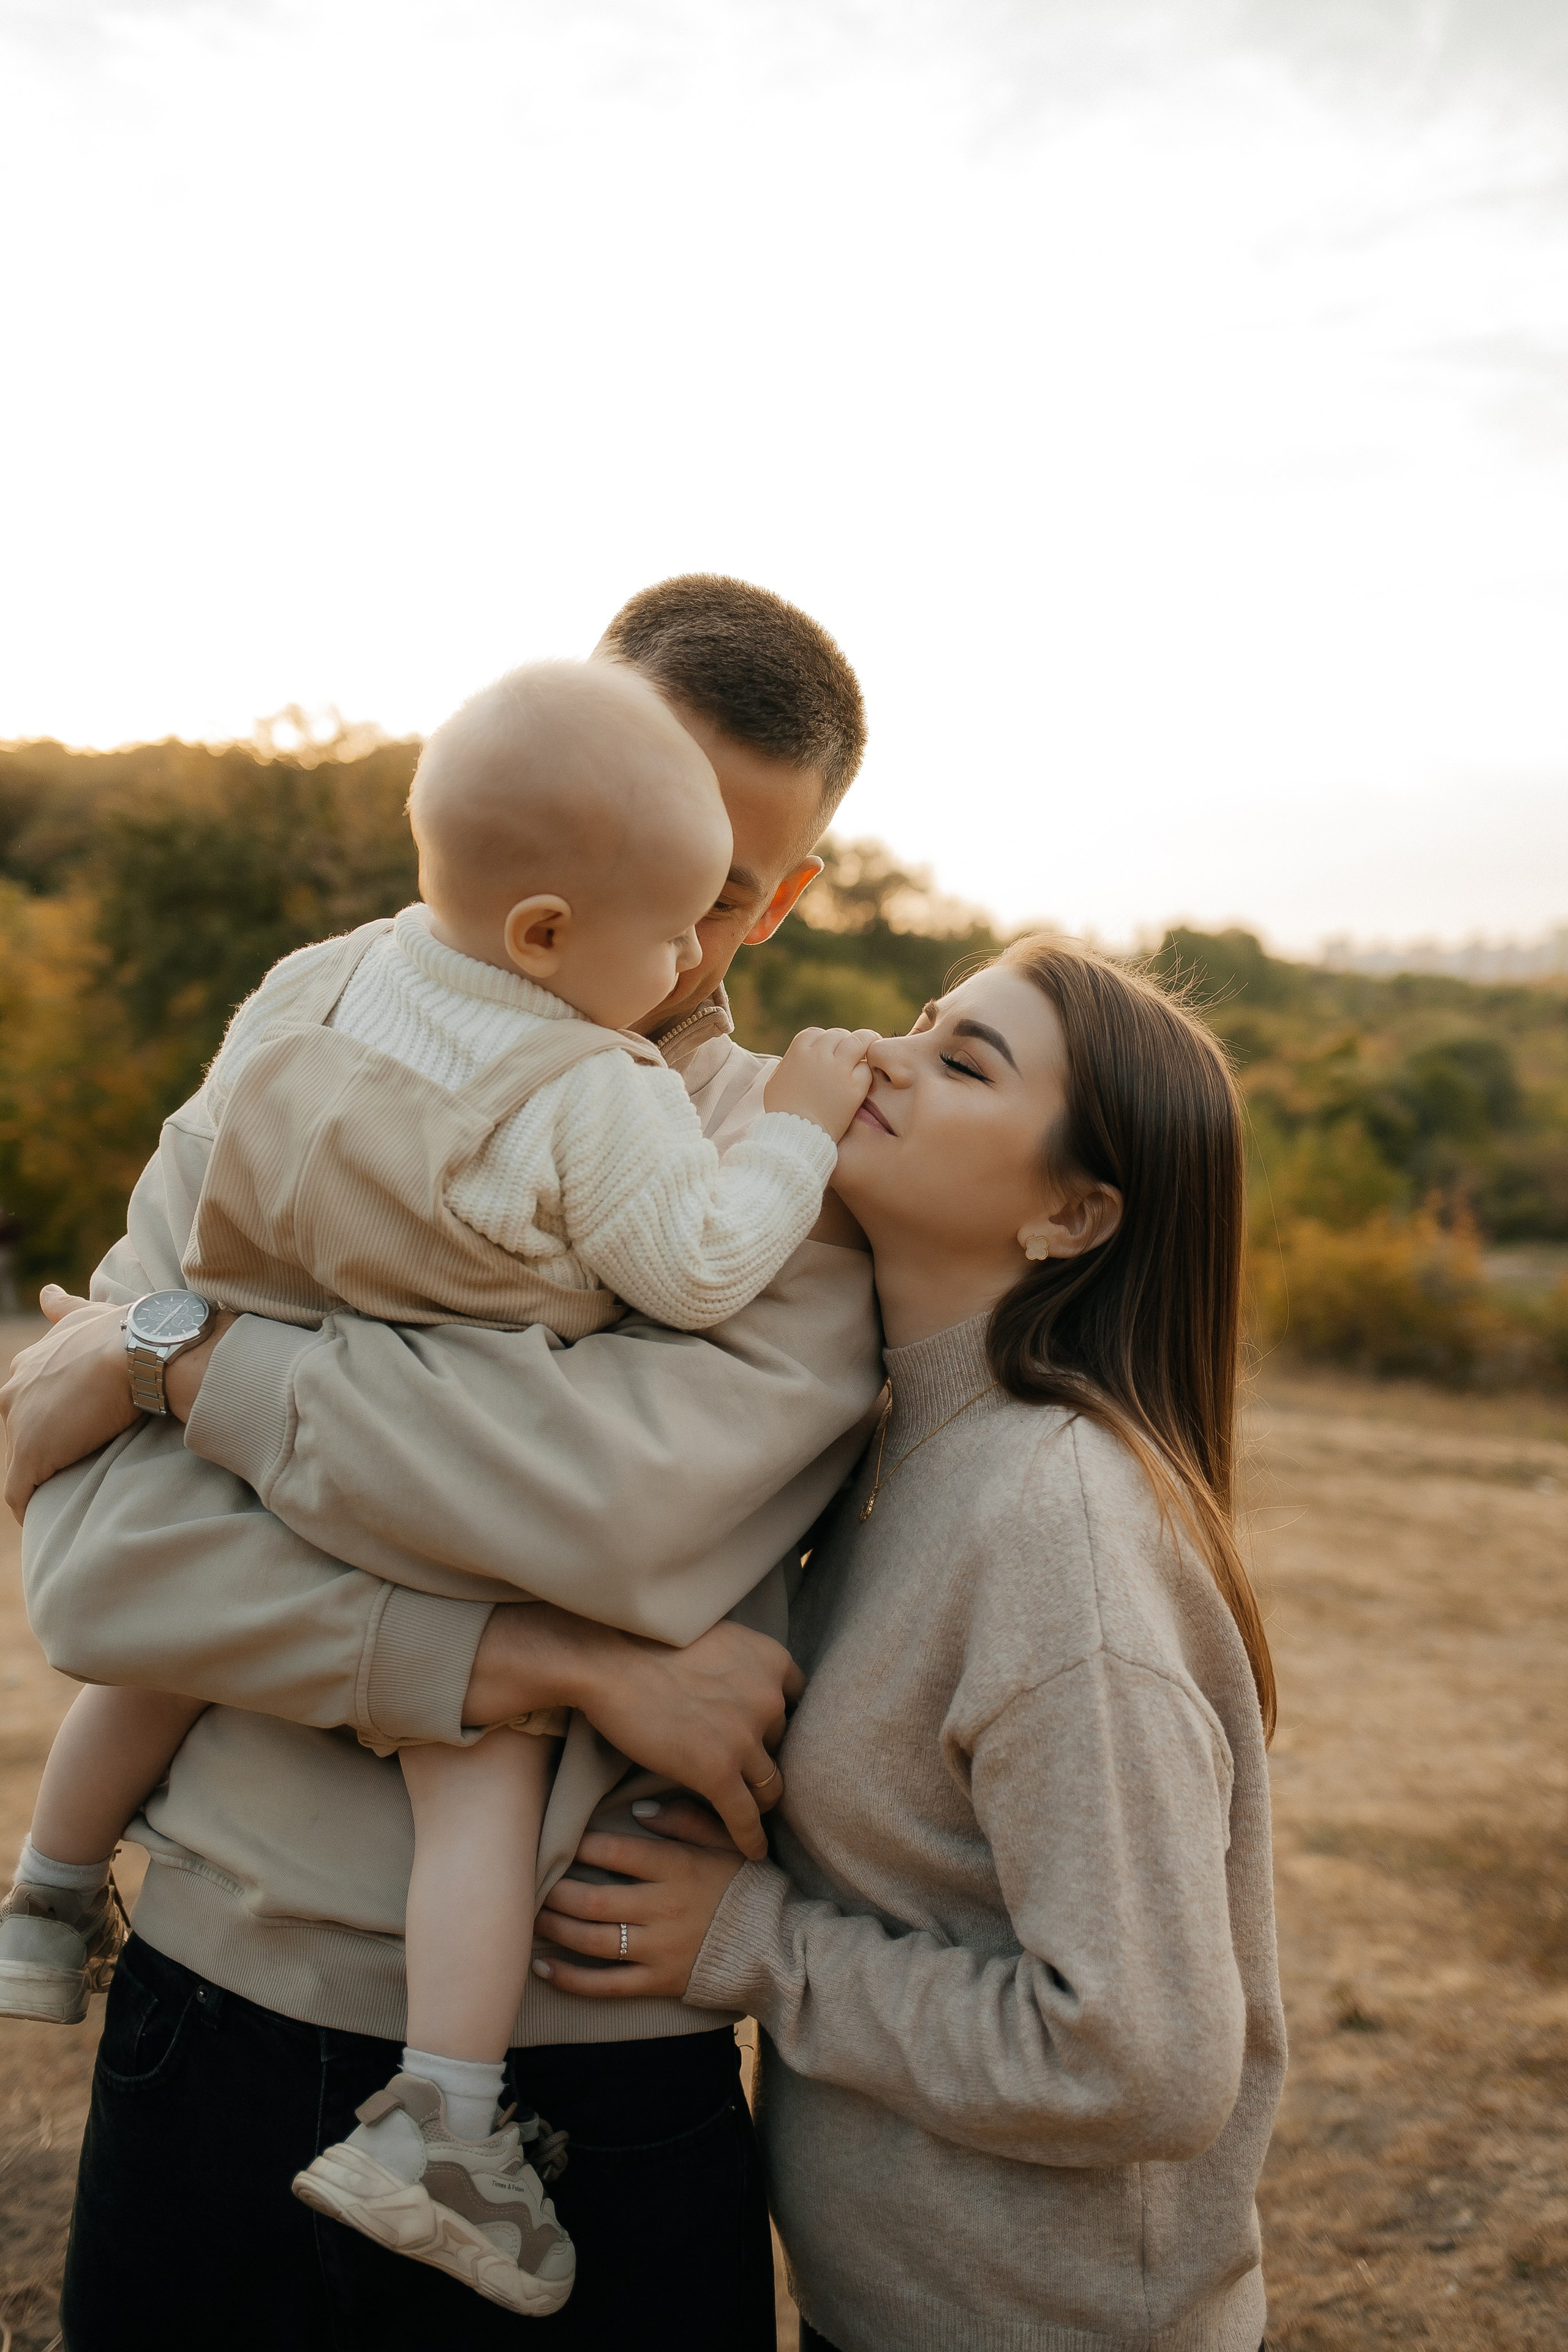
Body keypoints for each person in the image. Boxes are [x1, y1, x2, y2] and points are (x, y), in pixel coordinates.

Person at [1, 576, 884, 2351]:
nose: (668, 931)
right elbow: (98, 1567)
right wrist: (559, 1662)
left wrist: (186, 1363)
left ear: (781, 899)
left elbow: (612, 1513)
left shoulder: (785, 1167)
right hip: (210, 2000)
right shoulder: (316, 1011)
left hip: (590, 2075)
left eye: (719, 891)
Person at [528, 941, 1287, 2352]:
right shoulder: (904, 1448)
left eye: (962, 1061)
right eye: (921, 1022)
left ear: (1068, 1216)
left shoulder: (1054, 1526)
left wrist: (755, 1949)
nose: (882, 1055)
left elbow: (1142, 2060)